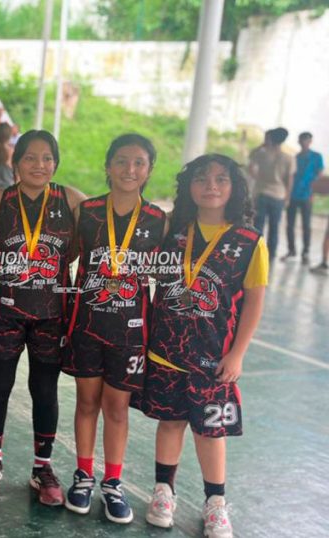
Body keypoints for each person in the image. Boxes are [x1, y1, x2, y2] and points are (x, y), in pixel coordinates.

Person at [138, 154, 267, 538]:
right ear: (189, 187)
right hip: (167, 350)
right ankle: (164, 490)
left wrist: (238, 353)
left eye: (221, 179)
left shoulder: (249, 242)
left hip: (215, 357)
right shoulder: (173, 232)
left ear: (234, 188)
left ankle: (215, 503)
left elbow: (255, 300)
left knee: (211, 430)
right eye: (202, 178)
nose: (211, 185)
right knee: (170, 420)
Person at [0, 130, 86, 505]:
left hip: (52, 313)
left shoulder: (70, 199)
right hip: (5, 308)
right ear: (15, 163)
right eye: (31, 158)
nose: (40, 165)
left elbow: (105, 222)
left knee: (45, 390)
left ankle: (42, 468)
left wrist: (64, 260)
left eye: (47, 158)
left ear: (55, 162)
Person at [62, 134, 166, 524]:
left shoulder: (159, 220)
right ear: (108, 166)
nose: (130, 169)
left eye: (139, 163)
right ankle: (84, 475)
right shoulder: (86, 211)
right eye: (122, 161)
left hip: (131, 331)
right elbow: (66, 253)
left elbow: (167, 268)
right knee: (87, 403)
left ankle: (113, 482)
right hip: (87, 323)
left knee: (117, 409)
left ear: (149, 170)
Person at [248, 127, 293, 261]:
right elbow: (289, 179)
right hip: (278, 195)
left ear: (271, 138)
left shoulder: (262, 154)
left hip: (261, 193)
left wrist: (258, 178)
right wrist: (287, 197)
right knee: (274, 226)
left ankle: (255, 252)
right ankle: (271, 254)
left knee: (258, 225)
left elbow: (250, 162)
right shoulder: (288, 158)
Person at [282, 132, 323, 263]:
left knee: (306, 225)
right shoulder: (296, 157)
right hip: (293, 195)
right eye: (301, 140)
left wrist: (313, 190)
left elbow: (320, 173)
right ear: (299, 142)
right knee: (290, 224)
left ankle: (305, 252)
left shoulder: (316, 157)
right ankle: (291, 250)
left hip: (307, 195)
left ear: (310, 141)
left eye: (306, 140)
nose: (304, 143)